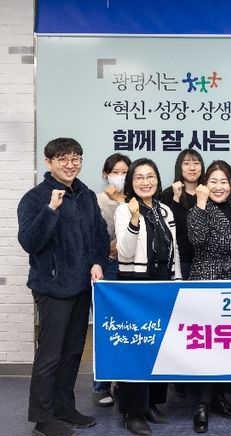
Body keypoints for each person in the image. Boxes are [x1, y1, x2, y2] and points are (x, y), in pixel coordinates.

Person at [18, 137, 109, 436]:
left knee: (72, 353)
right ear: (49, 162)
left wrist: (97, 262)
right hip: (52, 287)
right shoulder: (35, 198)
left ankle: (64, 407)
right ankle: (43, 420)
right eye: (63, 159)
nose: (70, 165)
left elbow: (99, 234)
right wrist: (51, 209)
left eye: (75, 158)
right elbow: (30, 242)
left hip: (82, 286)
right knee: (50, 356)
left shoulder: (86, 195)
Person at [115, 158, 182, 436]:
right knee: (136, 348)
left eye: (150, 176)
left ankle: (151, 403)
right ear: (131, 182)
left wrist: (177, 281)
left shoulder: (165, 210)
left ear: (157, 179)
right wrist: (134, 219)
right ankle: (132, 411)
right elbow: (125, 251)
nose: (146, 182)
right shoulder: (124, 209)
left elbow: (174, 250)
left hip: (162, 282)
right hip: (135, 283)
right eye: (139, 177)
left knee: (158, 346)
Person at [186, 160, 231, 433]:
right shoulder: (198, 209)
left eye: (223, 181)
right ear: (204, 184)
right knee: (206, 346)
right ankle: (201, 404)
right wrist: (200, 204)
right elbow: (197, 239)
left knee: (227, 344)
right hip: (207, 279)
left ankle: (219, 396)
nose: (219, 186)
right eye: (213, 181)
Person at [92, 152, 131, 408]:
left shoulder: (135, 199)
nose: (120, 176)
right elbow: (94, 234)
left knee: (128, 327)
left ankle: (126, 382)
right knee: (105, 326)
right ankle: (101, 385)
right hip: (107, 266)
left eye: (125, 172)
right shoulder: (97, 200)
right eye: (115, 172)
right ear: (106, 174)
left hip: (131, 267)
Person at [160, 148, 205, 279]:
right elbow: (166, 229)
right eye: (186, 163)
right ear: (179, 167)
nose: (192, 168)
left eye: (196, 163)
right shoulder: (168, 194)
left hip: (205, 262)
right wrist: (176, 198)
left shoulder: (207, 193)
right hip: (178, 261)